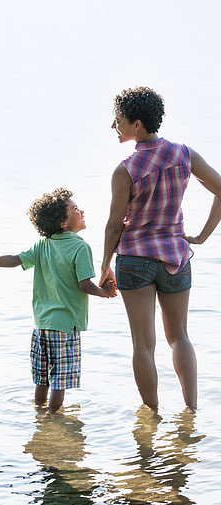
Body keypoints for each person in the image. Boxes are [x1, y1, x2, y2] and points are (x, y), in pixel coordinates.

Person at [100, 86, 221, 413]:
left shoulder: (125, 169)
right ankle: (191, 411)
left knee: (143, 345)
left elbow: (114, 225)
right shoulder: (184, 154)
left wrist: (103, 267)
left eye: (119, 120)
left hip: (135, 259)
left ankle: (151, 415)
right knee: (179, 336)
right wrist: (203, 236)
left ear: (136, 125)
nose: (115, 126)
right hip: (176, 256)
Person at [0, 188, 116, 413]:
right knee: (60, 378)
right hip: (65, 325)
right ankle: (54, 420)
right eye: (75, 209)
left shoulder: (42, 245)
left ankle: (38, 413)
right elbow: (84, 284)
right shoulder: (80, 247)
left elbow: (14, 260)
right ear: (63, 223)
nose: (81, 211)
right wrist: (104, 292)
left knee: (42, 376)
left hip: (41, 324)